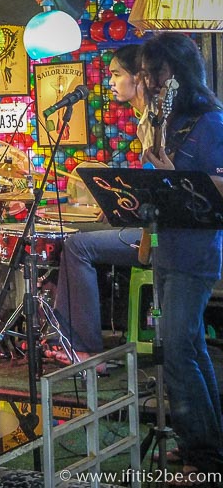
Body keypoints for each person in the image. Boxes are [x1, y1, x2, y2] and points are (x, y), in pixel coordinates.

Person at [136, 32, 223, 477]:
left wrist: (179, 180)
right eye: (147, 73)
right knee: (189, 345)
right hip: (168, 247)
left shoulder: (211, 121)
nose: (150, 81)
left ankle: (203, 454)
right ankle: (207, 442)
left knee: (174, 347)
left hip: (196, 252)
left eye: (159, 72)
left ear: (181, 72)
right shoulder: (169, 119)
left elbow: (219, 188)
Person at [51, 44, 154, 364]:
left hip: (157, 235)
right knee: (72, 238)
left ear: (139, 78)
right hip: (146, 225)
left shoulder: (154, 121)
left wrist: (123, 208)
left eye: (115, 74)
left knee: (78, 246)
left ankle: (86, 349)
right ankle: (66, 338)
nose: (109, 81)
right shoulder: (145, 119)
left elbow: (157, 188)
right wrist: (117, 206)